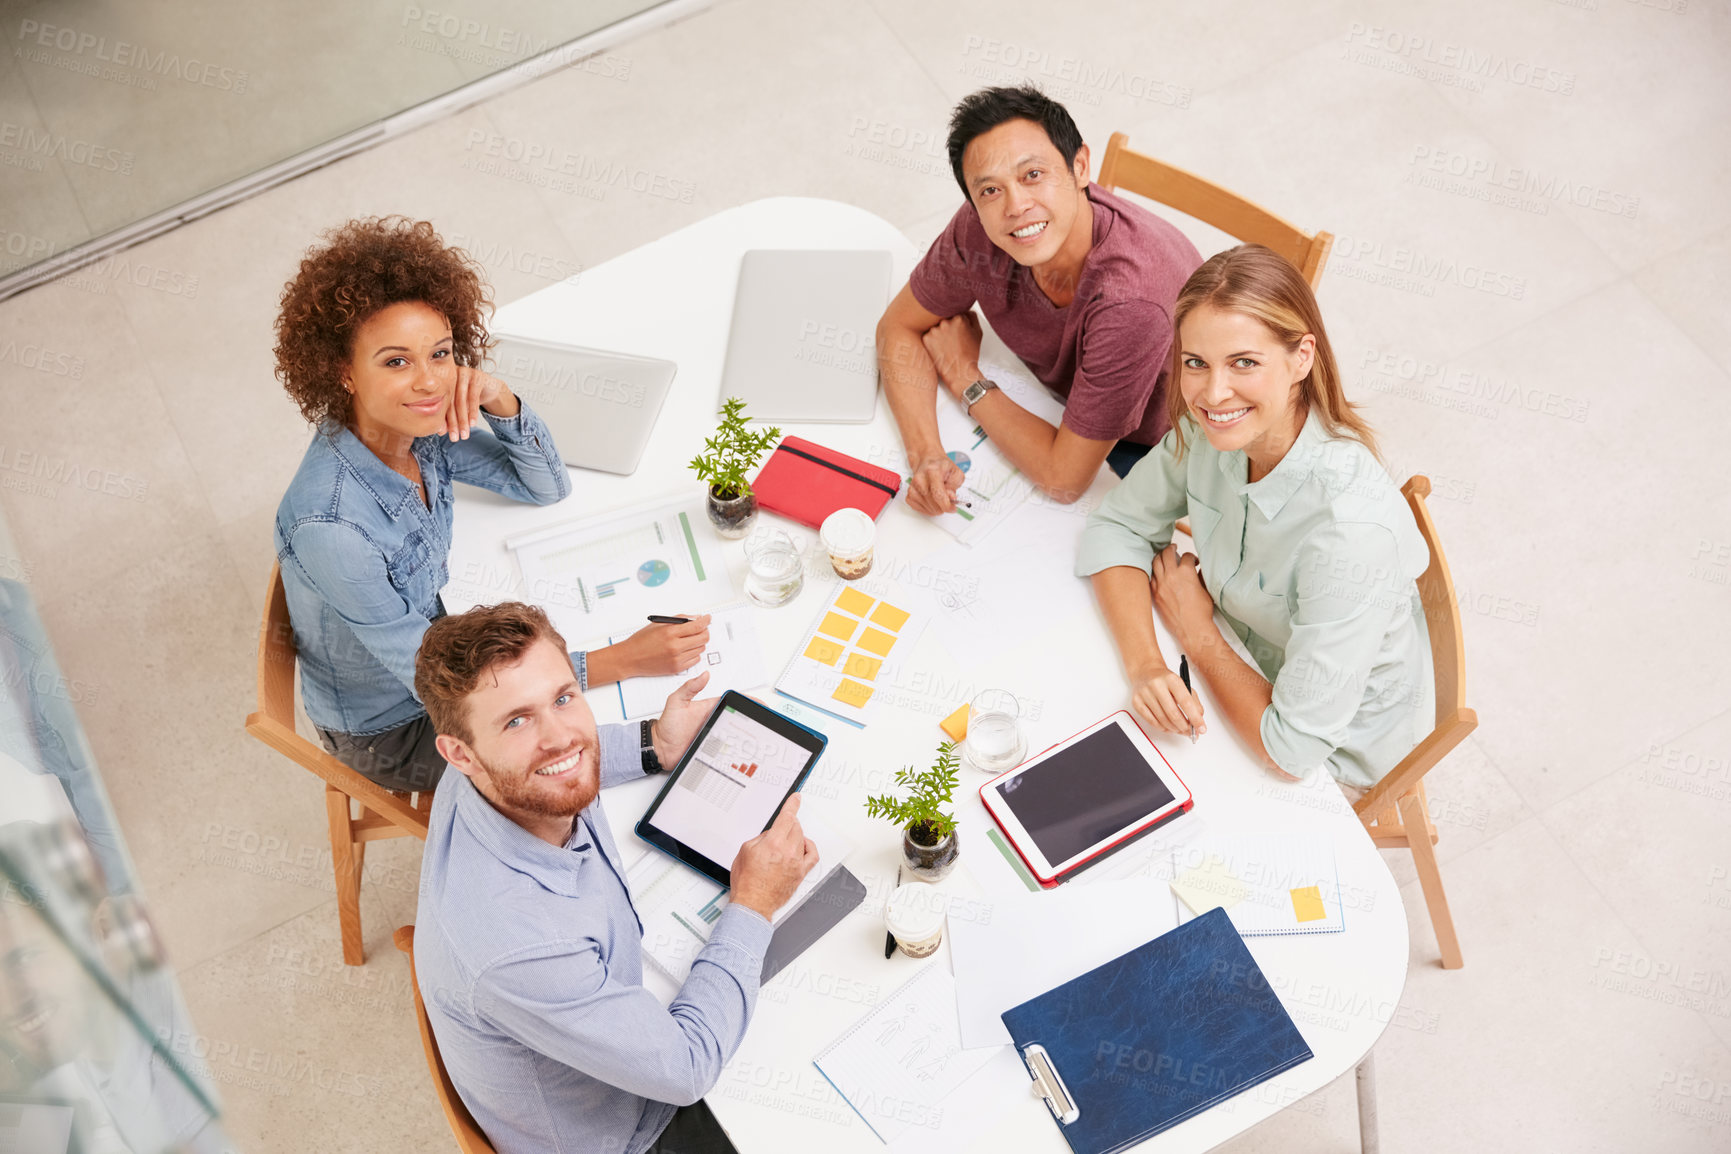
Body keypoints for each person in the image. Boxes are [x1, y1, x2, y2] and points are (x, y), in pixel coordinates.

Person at [272, 217, 708, 793]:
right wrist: (616, 663)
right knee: (558, 764)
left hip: (439, 636)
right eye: (396, 361)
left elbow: (543, 485)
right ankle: (660, 744)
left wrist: (500, 399)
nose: (429, 383)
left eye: (442, 353)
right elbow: (440, 687)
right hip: (394, 729)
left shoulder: (412, 430)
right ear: (343, 373)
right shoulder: (332, 527)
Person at [411, 601, 818, 1154]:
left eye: (563, 698)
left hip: (610, 1010)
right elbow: (688, 1067)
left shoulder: (482, 776)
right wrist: (753, 904)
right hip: (628, 1135)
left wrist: (657, 743)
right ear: (460, 754)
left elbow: (564, 759)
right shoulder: (521, 946)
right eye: (517, 720)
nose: (562, 739)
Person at [1078, 244, 1433, 796]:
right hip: (1238, 661)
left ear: (1301, 359)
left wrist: (1195, 630)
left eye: (1244, 362)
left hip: (1327, 762)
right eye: (1195, 362)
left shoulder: (1349, 536)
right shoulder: (1215, 427)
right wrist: (1147, 665)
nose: (1213, 394)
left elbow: (1291, 752)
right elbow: (1116, 527)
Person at [879, 85, 1202, 512]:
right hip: (1054, 398)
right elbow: (898, 327)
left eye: (1033, 175)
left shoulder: (1131, 302)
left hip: (1151, 445)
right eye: (990, 190)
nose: (1016, 206)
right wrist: (928, 457)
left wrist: (964, 376)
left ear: (1080, 167)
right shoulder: (979, 229)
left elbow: (1064, 481)